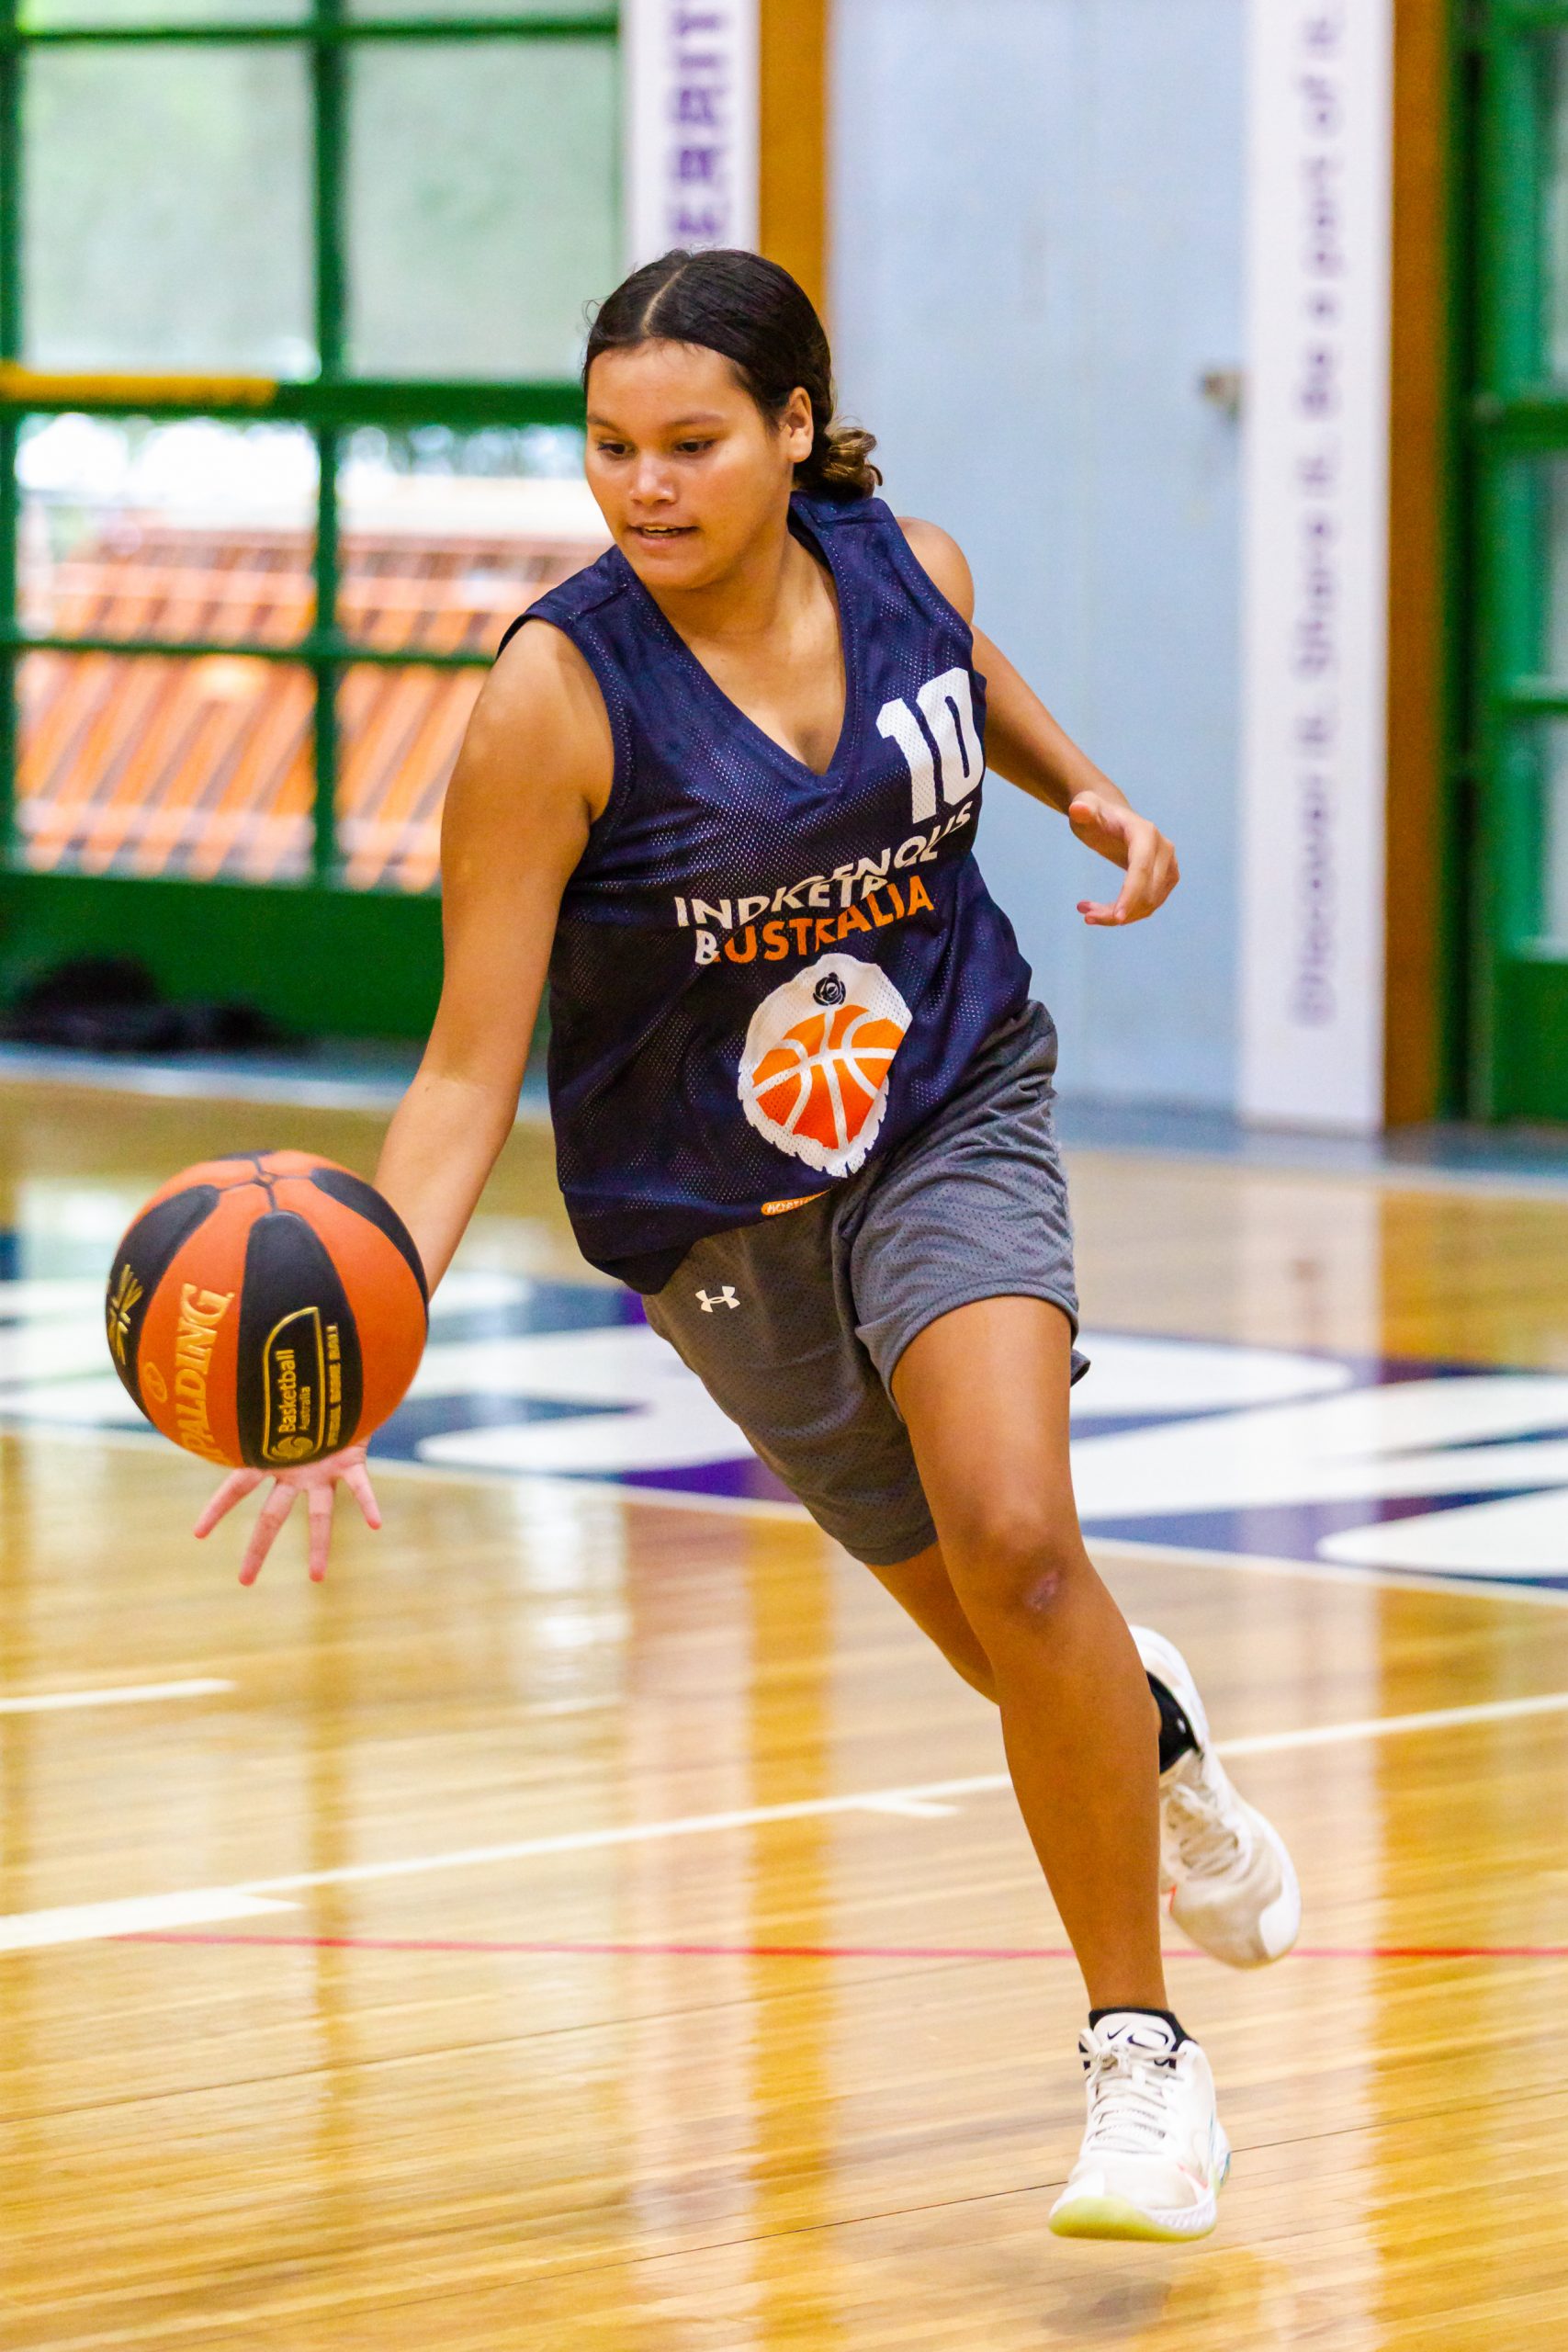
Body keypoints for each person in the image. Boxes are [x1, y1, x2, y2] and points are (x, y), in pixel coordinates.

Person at [195, 248, 1299, 2244]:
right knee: (1009, 1645)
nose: (644, 485)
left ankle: (1142, 2064)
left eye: (690, 442)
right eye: (609, 446)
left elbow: (962, 676)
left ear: (796, 432)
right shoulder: (554, 696)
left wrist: (1082, 792)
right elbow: (464, 1071)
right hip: (709, 1210)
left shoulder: (906, 562)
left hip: (947, 1098)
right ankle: (1149, 1742)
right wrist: (369, 1330)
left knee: (1019, 1538)